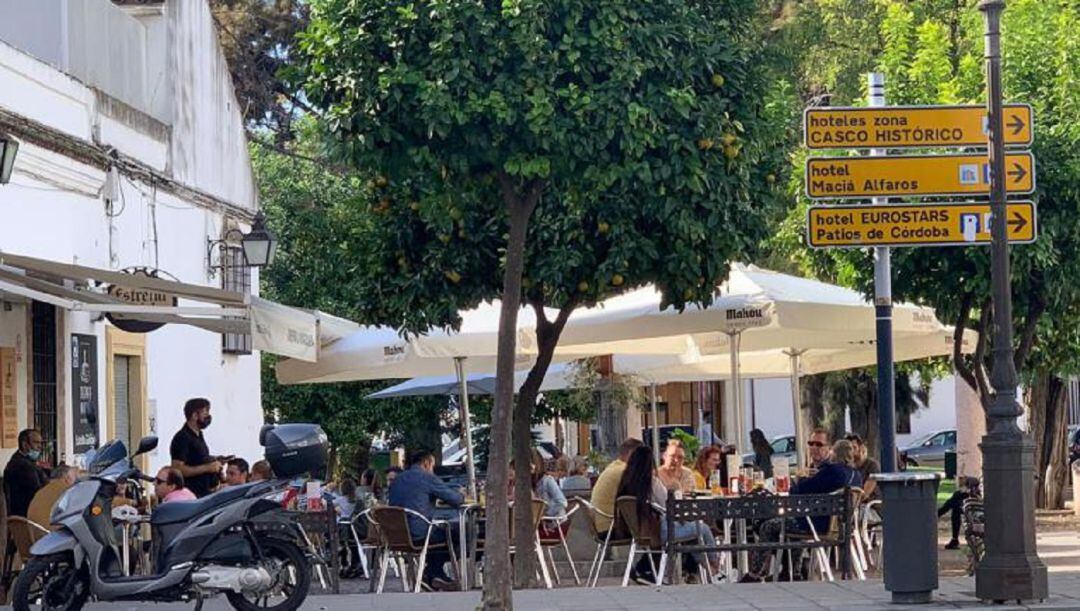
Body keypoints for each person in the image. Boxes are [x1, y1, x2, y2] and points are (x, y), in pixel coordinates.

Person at [744, 439, 862, 582]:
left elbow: (801, 490)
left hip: (816, 523)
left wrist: (799, 480)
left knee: (768, 526)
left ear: (834, 453)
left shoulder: (832, 471)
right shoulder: (856, 475)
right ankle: (793, 571)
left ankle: (755, 574)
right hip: (841, 525)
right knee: (784, 524)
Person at [617, 445, 721, 580]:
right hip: (660, 531)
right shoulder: (652, 483)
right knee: (703, 528)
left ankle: (711, 572)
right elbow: (669, 505)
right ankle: (716, 567)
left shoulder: (626, 483)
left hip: (638, 531)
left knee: (693, 536)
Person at [387, 451, 464, 590]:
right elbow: (455, 500)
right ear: (426, 463)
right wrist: (462, 494)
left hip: (396, 535)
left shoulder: (396, 480)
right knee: (457, 534)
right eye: (432, 466)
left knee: (439, 534)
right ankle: (432, 572)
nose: (433, 470)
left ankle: (434, 575)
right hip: (419, 534)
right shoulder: (427, 477)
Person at [169, 398, 223, 498]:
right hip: (193, 495)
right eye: (205, 412)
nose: (208, 415)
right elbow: (177, 469)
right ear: (194, 415)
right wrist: (207, 468)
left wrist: (214, 460)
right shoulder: (182, 438)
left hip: (206, 492)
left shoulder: (199, 435)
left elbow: (196, 458)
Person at [4, 429, 48, 517]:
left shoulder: (21, 460)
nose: (40, 447)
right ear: (25, 445)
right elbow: (39, 493)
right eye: (36, 443)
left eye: (41, 443)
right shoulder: (22, 465)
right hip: (27, 515)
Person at [939, 476, 981, 550]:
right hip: (972, 505)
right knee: (956, 503)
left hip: (977, 508)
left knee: (955, 503)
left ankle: (936, 515)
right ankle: (937, 514)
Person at [531, 449, 567, 518]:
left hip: (554, 522)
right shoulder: (527, 483)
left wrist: (546, 514)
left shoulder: (547, 481)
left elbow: (562, 502)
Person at [845, 433, 880, 500]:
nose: (850, 452)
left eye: (854, 447)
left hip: (869, 505)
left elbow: (865, 494)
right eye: (848, 449)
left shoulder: (872, 465)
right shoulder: (847, 467)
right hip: (850, 505)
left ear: (860, 448)